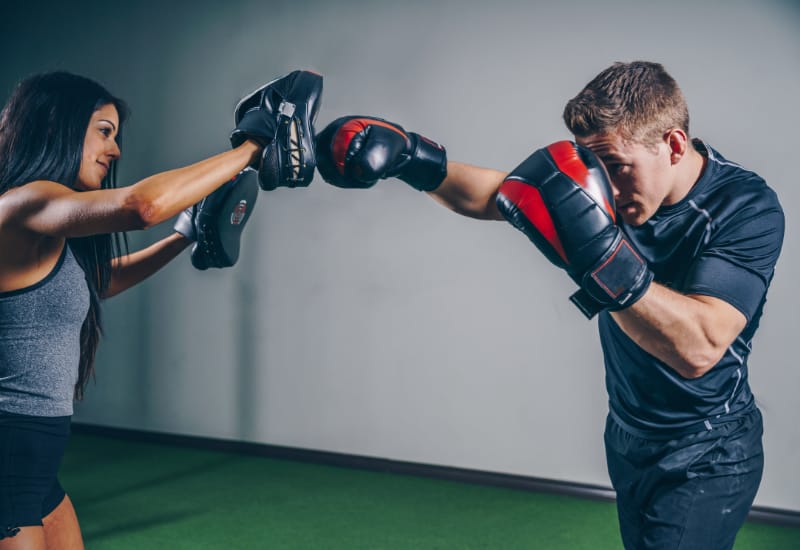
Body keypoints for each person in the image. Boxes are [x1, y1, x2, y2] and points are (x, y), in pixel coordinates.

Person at [313, 61, 785, 549]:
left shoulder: (745, 207)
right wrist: (410, 159)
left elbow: (699, 348)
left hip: (708, 445)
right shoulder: (614, 186)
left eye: (618, 167)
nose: (606, 189)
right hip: (628, 432)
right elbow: (496, 195)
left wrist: (600, 257)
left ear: (674, 145)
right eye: (595, 168)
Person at [0, 68, 319, 549]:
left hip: (35, 457)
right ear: (54, 126)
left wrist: (183, 236)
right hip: (9, 451)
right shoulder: (22, 205)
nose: (115, 150)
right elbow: (142, 207)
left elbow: (98, 283)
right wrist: (254, 146)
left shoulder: (48, 227)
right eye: (103, 132)